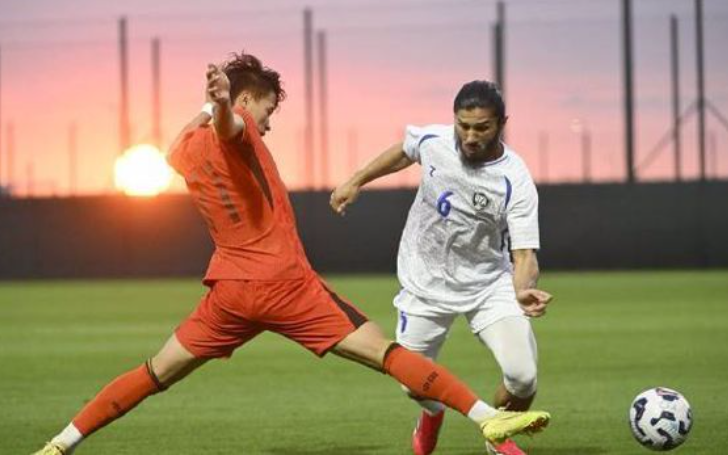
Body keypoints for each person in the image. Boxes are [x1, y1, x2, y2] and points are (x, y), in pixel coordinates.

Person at [30, 56, 549, 455]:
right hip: (284, 284)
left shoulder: (185, 147)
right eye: (268, 109)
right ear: (246, 100)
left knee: (154, 372)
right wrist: (224, 105)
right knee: (386, 354)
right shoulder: (238, 124)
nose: (268, 122)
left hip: (229, 292)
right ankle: (486, 416)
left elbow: (180, 144)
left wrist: (208, 106)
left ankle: (61, 443)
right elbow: (232, 129)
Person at [330, 80, 553, 455]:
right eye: (463, 125)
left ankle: (496, 435)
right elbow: (405, 150)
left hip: (487, 284)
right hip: (425, 283)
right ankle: (433, 413)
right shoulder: (435, 140)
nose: (470, 136)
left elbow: (524, 255)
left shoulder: (515, 179)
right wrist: (356, 181)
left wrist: (522, 289)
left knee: (523, 378)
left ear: (502, 124)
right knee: (411, 384)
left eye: (481, 127)